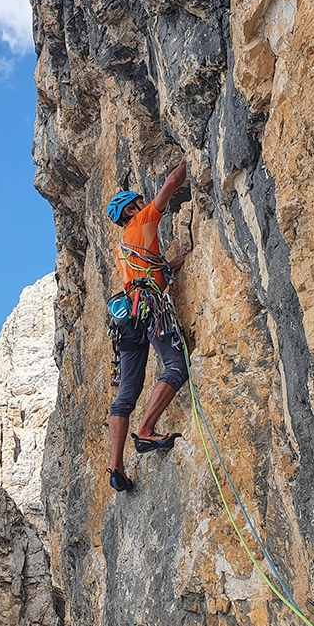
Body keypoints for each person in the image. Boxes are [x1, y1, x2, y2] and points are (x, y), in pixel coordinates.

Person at [105, 157, 190, 492]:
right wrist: (188, 158)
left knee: (125, 396)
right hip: (149, 307)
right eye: (137, 202)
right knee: (176, 365)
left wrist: (169, 266)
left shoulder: (125, 244)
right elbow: (170, 186)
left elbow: (145, 272)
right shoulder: (140, 221)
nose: (144, 203)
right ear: (130, 210)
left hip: (127, 317)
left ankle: (116, 467)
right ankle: (145, 431)